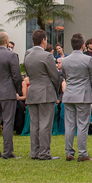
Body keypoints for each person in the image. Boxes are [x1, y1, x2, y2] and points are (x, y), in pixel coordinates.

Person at [24, 29, 62, 161]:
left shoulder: (27, 55)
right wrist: (56, 90)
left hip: (33, 91)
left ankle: (34, 151)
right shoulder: (47, 56)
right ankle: (44, 152)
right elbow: (55, 76)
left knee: (34, 124)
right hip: (45, 91)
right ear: (43, 40)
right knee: (45, 124)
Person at [0, 31, 23, 158]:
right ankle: (8, 151)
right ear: (7, 41)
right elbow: (17, 75)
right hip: (8, 91)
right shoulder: (11, 56)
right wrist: (16, 89)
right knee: (7, 121)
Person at [61, 33, 92, 162]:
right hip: (83, 94)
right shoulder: (87, 59)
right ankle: (82, 153)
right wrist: (89, 90)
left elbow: (64, 75)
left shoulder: (65, 60)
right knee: (82, 124)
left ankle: (69, 152)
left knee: (69, 125)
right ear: (83, 45)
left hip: (69, 94)